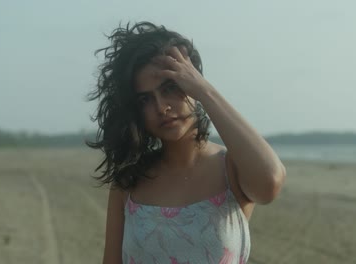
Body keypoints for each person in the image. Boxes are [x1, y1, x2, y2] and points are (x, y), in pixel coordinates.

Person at [87, 21, 286, 264]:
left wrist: (205, 91)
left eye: (170, 87)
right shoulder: (128, 182)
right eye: (145, 100)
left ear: (192, 82)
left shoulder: (230, 169)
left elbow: (270, 182)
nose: (161, 107)